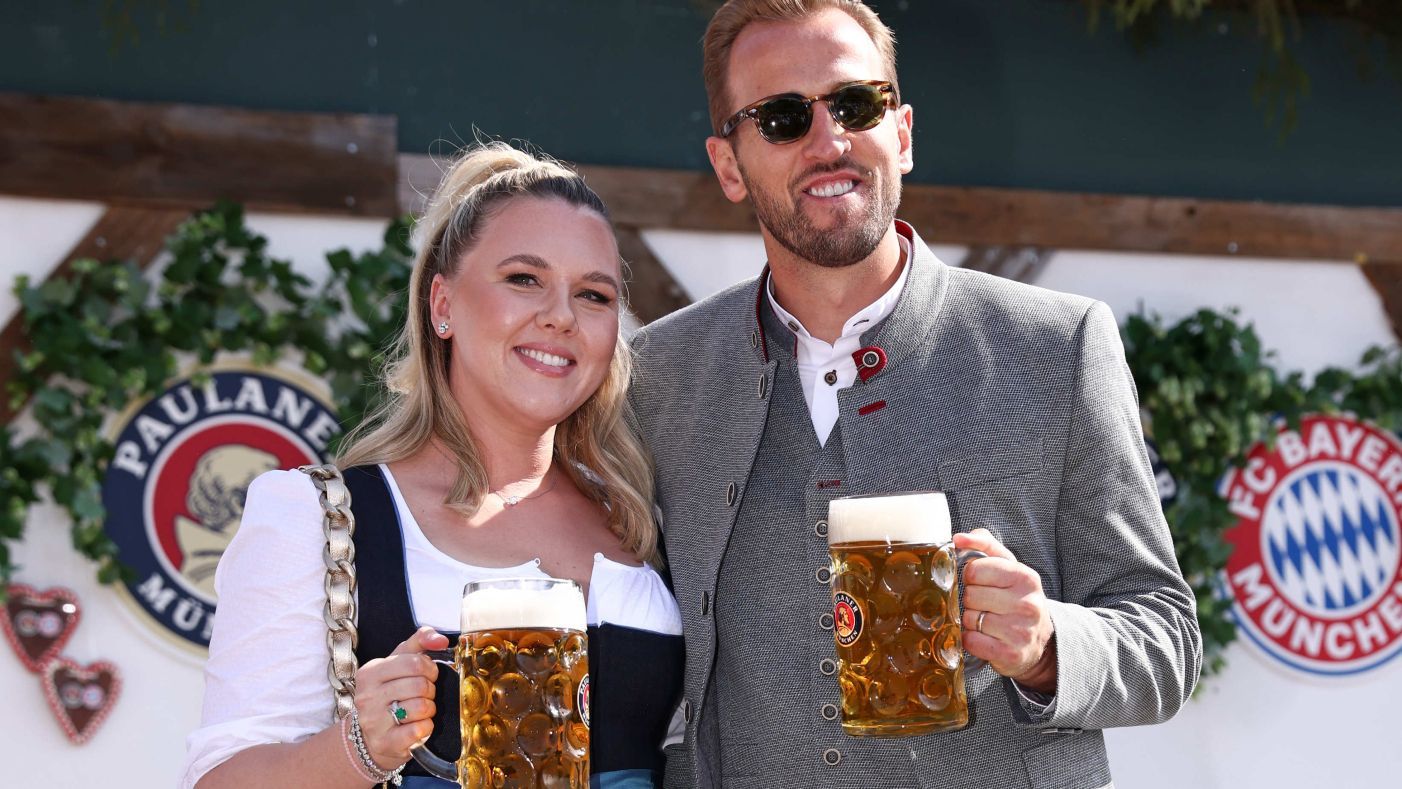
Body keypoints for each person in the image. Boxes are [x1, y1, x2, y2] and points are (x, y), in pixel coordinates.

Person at [627, 2, 1202, 788]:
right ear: (729, 165)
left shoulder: (1057, 346)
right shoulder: (661, 372)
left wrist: (1046, 646)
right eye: (782, 117)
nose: (828, 141)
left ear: (900, 133)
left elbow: (1164, 637)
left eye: (855, 104)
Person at [181, 143, 683, 789]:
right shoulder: (318, 519)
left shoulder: (644, 515)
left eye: (593, 294)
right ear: (442, 304)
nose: (560, 315)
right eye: (524, 278)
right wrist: (358, 748)